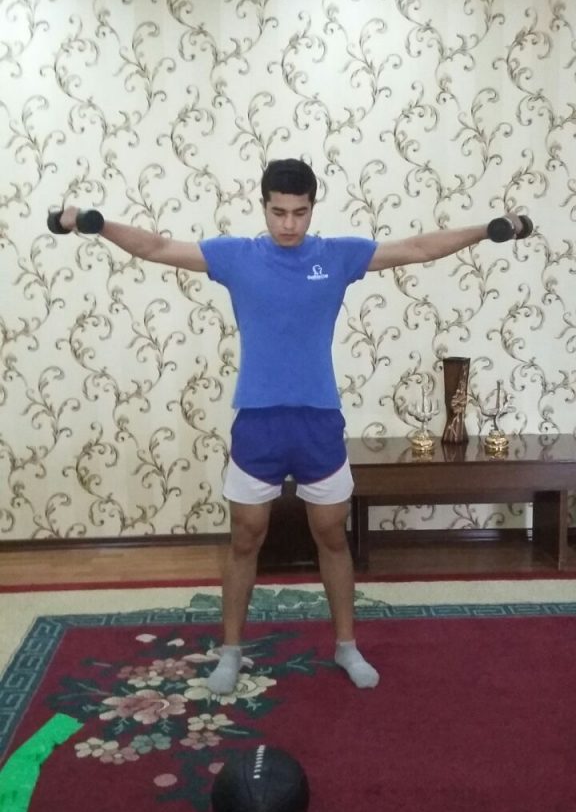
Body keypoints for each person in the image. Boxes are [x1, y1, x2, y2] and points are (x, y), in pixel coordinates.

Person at [58, 158, 527, 695]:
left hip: (317, 421)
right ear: (263, 207)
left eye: (299, 213)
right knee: (245, 538)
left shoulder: (336, 256)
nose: (288, 224)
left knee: (331, 534)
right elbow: (158, 248)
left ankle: (346, 646)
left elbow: (417, 248)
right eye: (278, 212)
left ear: (312, 208)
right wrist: (96, 223)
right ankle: (231, 652)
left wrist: (488, 229)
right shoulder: (236, 257)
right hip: (258, 422)